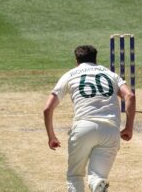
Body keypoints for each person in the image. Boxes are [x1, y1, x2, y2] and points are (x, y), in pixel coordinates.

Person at [43, 45, 136, 192]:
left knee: (75, 176)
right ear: (95, 58)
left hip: (83, 128)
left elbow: (47, 108)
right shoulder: (110, 74)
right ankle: (97, 183)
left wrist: (51, 136)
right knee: (97, 176)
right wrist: (129, 127)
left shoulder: (70, 74)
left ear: (76, 60)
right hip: (110, 130)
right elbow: (129, 95)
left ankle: (95, 184)